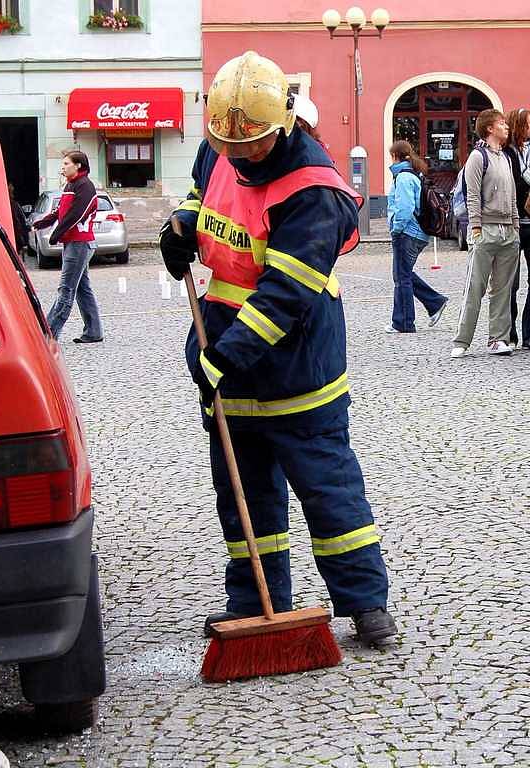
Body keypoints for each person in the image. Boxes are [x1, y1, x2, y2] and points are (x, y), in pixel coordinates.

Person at [159, 51, 397, 645]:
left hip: (297, 361)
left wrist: (226, 357)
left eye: (253, 145)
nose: (239, 154)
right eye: (230, 144)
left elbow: (283, 297)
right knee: (243, 492)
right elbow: (200, 192)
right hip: (224, 343)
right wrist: (182, 227)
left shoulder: (316, 192)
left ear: (284, 123)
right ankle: (255, 598)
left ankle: (364, 602)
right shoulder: (223, 139)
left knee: (328, 486)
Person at [452, 109, 520, 358]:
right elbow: (472, 195)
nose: (506, 127)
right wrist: (476, 228)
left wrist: (515, 227)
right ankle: (462, 340)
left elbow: (512, 195)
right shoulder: (477, 157)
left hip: (508, 233)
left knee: (503, 290)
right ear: (489, 128)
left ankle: (498, 339)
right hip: (486, 230)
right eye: (502, 123)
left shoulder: (506, 158)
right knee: (475, 287)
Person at [33, 151, 103, 343]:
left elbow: (76, 214)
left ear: (78, 165)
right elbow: (61, 212)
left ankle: (48, 335)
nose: (62, 167)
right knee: (82, 288)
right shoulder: (70, 185)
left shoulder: (85, 186)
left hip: (80, 243)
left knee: (66, 289)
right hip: (74, 243)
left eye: (66, 163)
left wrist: (56, 235)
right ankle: (94, 332)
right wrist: (41, 223)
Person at [385, 141, 448, 333]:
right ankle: (435, 302)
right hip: (416, 232)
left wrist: (396, 229)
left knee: (402, 277)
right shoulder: (413, 174)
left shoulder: (403, 177)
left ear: (395, 156)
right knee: (403, 274)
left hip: (407, 233)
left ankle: (404, 322)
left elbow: (404, 208)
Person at [504, 108, 530, 349]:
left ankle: (529, 334)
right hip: (513, 224)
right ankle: (510, 334)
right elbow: (512, 184)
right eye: (528, 125)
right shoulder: (506, 153)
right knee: (511, 284)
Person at [8, 182, 29, 256]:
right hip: (15, 240)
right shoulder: (14, 205)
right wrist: (23, 241)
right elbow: (21, 222)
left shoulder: (13, 205)